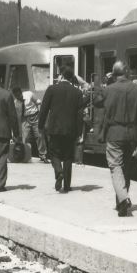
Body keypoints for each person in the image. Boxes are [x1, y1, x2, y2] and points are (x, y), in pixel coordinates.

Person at [93, 61, 137, 217]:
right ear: (127, 72)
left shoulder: (108, 89)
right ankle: (121, 204)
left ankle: (123, 199)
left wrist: (104, 84)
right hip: (132, 134)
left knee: (116, 167)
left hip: (114, 133)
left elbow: (96, 102)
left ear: (114, 74)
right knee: (126, 168)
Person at [38, 63, 84, 192]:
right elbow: (79, 115)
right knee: (68, 156)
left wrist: (40, 126)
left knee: (54, 153)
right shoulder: (77, 92)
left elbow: (43, 109)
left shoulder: (52, 89)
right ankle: (67, 186)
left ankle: (59, 172)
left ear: (61, 76)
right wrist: (79, 132)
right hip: (70, 130)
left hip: (54, 128)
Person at [21, 88, 47, 162]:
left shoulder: (29, 94)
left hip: (35, 116)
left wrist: (39, 112)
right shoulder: (16, 101)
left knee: (39, 136)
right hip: (25, 118)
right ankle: (24, 154)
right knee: (25, 137)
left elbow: (38, 102)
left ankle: (43, 155)